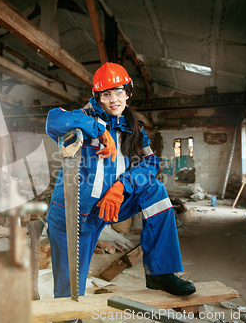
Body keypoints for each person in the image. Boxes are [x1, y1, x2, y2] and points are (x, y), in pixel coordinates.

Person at [45, 62, 196, 303]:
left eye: (118, 92)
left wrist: (122, 186)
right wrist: (98, 130)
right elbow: (53, 120)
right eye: (106, 94)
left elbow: (151, 162)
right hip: (73, 214)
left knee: (155, 190)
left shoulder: (132, 127)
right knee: (70, 288)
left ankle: (161, 272)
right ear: (98, 96)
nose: (113, 99)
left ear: (128, 93)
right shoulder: (82, 118)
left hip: (109, 206)